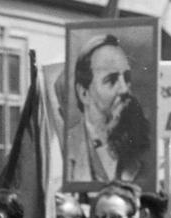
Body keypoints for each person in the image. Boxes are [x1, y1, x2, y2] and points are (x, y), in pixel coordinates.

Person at [65, 34, 152, 185]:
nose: (124, 89)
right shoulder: (65, 147)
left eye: (127, 78)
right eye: (111, 80)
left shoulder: (143, 149)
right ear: (84, 93)